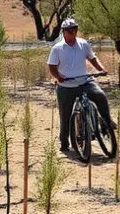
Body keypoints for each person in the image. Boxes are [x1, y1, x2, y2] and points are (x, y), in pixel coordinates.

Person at [47, 18, 112, 155]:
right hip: (66, 85)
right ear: (63, 32)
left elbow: (92, 58)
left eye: (75, 29)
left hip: (85, 80)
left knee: (100, 95)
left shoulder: (83, 44)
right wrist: (58, 76)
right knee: (65, 115)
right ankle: (64, 143)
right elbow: (52, 67)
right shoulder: (57, 48)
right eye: (70, 30)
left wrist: (101, 69)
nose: (73, 32)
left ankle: (106, 124)